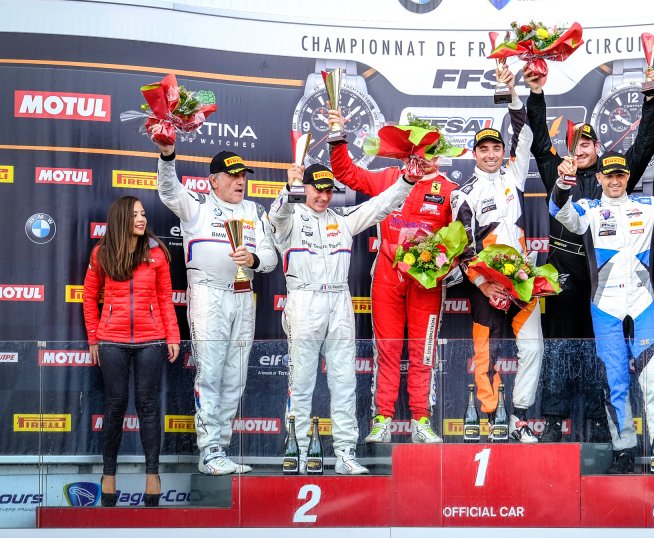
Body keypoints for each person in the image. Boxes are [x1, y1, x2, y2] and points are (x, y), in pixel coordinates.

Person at [525, 67, 654, 442]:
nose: (581, 149)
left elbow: (645, 144)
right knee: (558, 347)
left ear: (598, 149)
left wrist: (651, 100)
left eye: (587, 143)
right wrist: (536, 95)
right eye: (576, 144)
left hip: (602, 278)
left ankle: (600, 418)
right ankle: (553, 419)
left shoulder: (611, 177)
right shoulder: (558, 171)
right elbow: (538, 139)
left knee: (603, 351)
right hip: (562, 272)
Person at [551, 152, 654, 473]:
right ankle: (624, 449)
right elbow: (559, 211)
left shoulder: (648, 206)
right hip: (606, 307)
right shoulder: (588, 209)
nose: (615, 181)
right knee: (614, 383)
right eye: (609, 176)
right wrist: (563, 182)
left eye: (620, 175)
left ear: (628, 177)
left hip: (643, 304)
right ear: (599, 178)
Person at [270, 163, 416, 473]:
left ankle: (346, 453)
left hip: (339, 300)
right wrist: (290, 189)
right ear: (304, 188)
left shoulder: (342, 220)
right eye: (317, 189)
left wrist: (406, 180)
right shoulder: (290, 218)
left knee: (344, 382)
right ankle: (297, 451)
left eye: (328, 191)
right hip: (304, 300)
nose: (323, 196)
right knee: (301, 383)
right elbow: (277, 215)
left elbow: (381, 205)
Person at [328, 109, 459, 444]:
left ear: (438, 154)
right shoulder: (388, 178)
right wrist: (337, 137)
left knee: (423, 351)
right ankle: (382, 418)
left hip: (427, 281)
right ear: (407, 151)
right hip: (388, 273)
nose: (423, 159)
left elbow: (461, 238)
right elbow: (345, 172)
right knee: (387, 349)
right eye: (418, 151)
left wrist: (448, 264)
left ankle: (421, 420)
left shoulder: (450, 190)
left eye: (430, 152)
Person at [153, 139, 277, 475]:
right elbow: (167, 188)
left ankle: (221, 448)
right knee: (209, 373)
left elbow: (270, 257)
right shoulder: (197, 205)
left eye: (243, 175)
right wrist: (167, 155)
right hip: (208, 294)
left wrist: (253, 259)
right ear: (213, 180)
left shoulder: (255, 211)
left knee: (236, 376)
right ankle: (208, 451)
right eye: (233, 175)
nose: (240, 181)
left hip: (243, 294)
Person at [451, 66, 542, 443]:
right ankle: (492, 417)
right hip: (486, 286)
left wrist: (513, 93)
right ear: (474, 153)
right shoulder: (463, 194)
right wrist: (483, 284)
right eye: (484, 149)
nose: (491, 154)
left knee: (534, 348)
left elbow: (525, 134)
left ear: (503, 152)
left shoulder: (514, 176)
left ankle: (519, 416)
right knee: (485, 355)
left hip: (522, 281)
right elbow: (461, 250)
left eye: (496, 148)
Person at [83, 196, 180, 506]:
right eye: (135, 214)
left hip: (152, 340)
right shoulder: (102, 252)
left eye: (143, 214)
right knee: (114, 407)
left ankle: (153, 476)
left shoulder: (156, 253)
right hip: (111, 340)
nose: (142, 219)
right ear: (121, 218)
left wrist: (173, 335)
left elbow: (165, 298)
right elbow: (89, 297)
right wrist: (94, 338)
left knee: (148, 406)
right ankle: (108, 475)